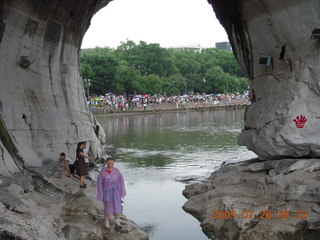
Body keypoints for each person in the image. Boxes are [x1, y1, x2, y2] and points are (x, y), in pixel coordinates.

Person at [96, 157, 126, 229]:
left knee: (117, 206)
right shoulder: (102, 172)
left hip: (116, 192)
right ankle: (106, 221)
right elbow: (99, 182)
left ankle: (117, 220)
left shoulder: (117, 171)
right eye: (109, 161)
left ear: (114, 162)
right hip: (106, 192)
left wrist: (122, 190)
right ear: (106, 162)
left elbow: (121, 180)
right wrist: (100, 192)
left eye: (111, 161)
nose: (110, 163)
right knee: (107, 206)